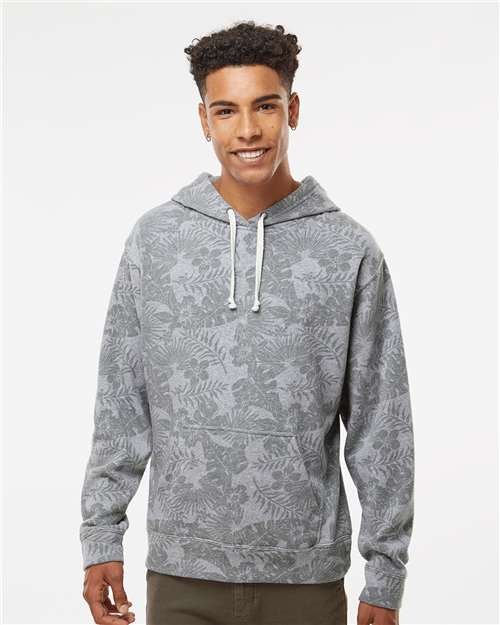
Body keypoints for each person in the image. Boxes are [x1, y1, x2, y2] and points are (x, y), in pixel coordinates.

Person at [80, 20, 415, 625]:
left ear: (293, 110)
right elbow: (121, 401)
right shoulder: (156, 240)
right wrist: (101, 535)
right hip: (181, 576)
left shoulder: (348, 250)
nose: (248, 130)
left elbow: (381, 424)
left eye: (265, 106)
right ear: (204, 120)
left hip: (306, 581)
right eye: (226, 111)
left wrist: (385, 575)